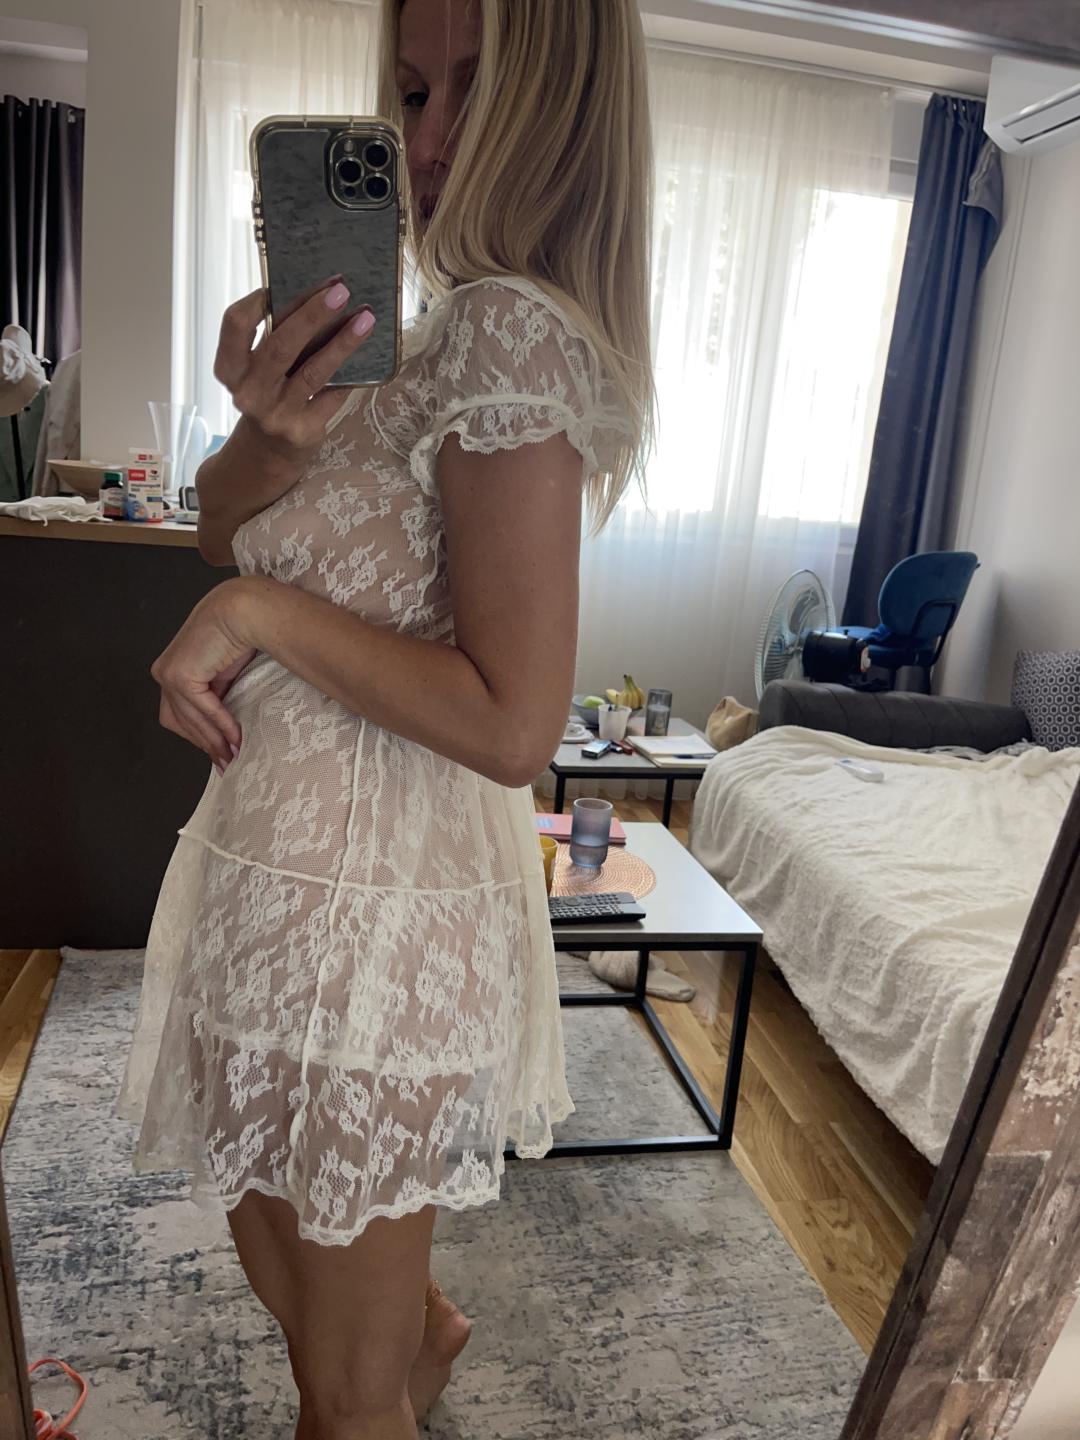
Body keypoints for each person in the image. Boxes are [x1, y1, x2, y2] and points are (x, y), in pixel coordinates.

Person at [116, 0, 654, 1435]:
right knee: (279, 1260)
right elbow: (219, 532)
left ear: (564, 104)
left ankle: (406, 1350)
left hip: (380, 917)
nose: (429, 141)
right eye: (411, 93)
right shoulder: (400, 331)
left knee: (342, 1402)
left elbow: (515, 721)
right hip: (269, 876)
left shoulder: (513, 335)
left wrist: (257, 616)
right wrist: (264, 435)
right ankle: (424, 1329)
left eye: (479, 88)